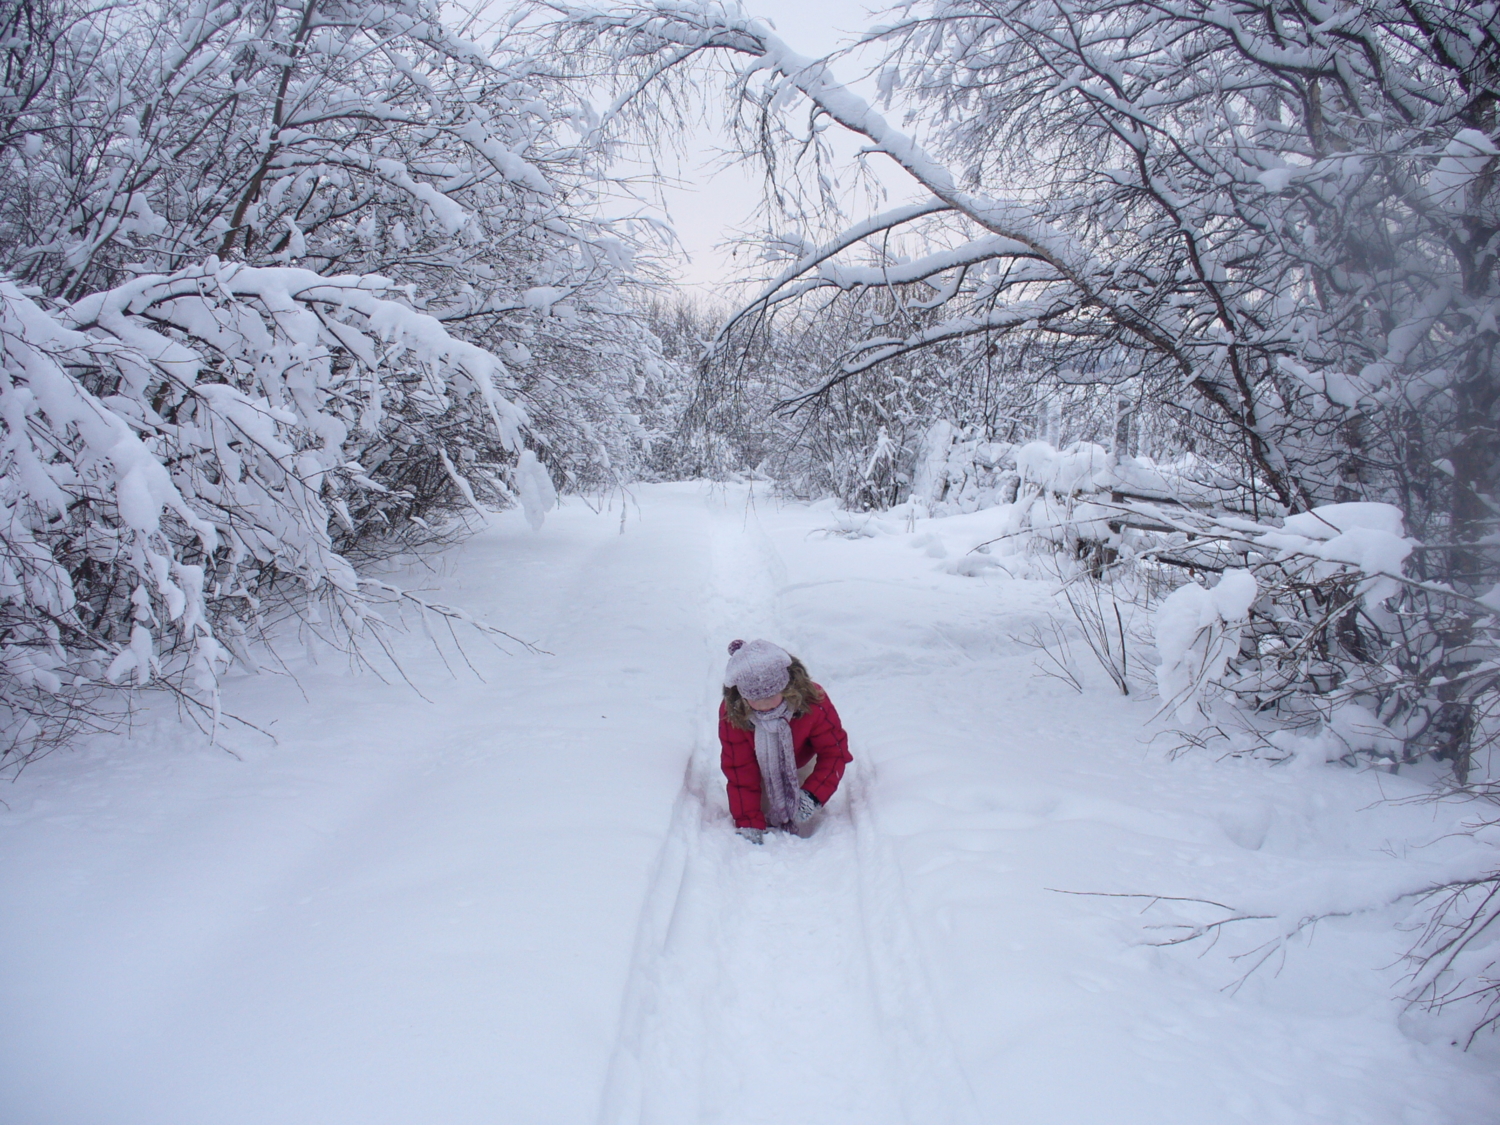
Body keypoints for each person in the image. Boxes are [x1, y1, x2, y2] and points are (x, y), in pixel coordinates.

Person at [719, 638, 851, 844]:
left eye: (771, 697)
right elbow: (739, 769)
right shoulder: (733, 714)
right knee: (764, 808)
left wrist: (813, 796)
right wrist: (748, 821)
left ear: (786, 687)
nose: (764, 706)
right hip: (759, 765)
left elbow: (835, 752)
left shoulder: (813, 702)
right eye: (755, 700)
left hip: (801, 760)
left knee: (798, 799)